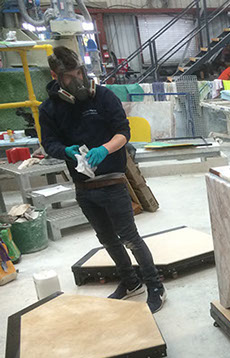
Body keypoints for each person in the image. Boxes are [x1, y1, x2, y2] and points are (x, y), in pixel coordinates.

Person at [39, 46, 166, 313]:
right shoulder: (49, 108)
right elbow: (48, 143)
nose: (77, 80)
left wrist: (105, 149)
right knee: (107, 238)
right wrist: (66, 151)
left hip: (112, 182)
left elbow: (123, 132)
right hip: (84, 187)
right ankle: (130, 282)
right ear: (55, 76)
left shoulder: (103, 97)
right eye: (69, 77)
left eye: (79, 73)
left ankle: (155, 285)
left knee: (130, 236)